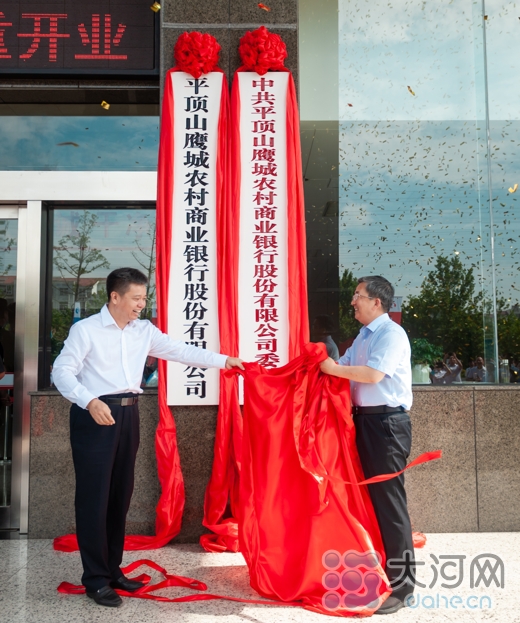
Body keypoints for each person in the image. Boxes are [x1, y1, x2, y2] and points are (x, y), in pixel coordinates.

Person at [52, 268, 244, 608]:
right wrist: (89, 400)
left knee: (119, 496)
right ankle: (95, 579)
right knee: (94, 499)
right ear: (115, 297)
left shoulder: (143, 331)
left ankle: (112, 570)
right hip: (95, 414)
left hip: (128, 415)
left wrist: (225, 361)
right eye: (136, 298)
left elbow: (181, 350)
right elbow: (61, 371)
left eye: (144, 297)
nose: (142, 304)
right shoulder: (86, 330)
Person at [320, 275, 414, 615]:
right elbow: (341, 367)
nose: (352, 301)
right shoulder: (363, 335)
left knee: (390, 503)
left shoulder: (391, 334)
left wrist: (331, 367)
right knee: (371, 502)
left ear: (377, 301)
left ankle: (403, 587)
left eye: (358, 295)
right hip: (363, 422)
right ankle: (382, 572)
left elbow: (373, 375)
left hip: (387, 425)